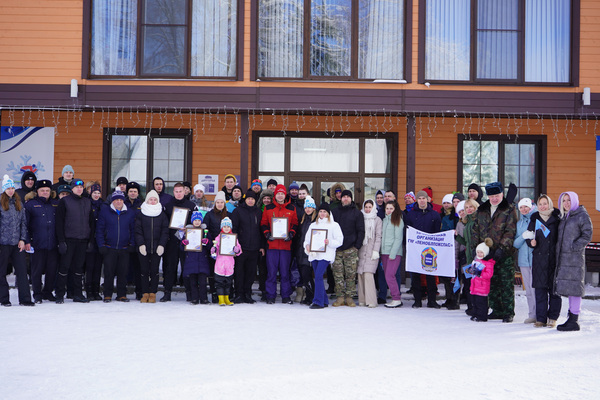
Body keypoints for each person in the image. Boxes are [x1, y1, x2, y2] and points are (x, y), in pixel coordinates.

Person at [471, 182, 518, 323]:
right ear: (488, 196)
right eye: (492, 196)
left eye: (497, 196)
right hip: (486, 255)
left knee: (506, 284)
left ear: (502, 195)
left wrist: (502, 249)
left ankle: (508, 312)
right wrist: (477, 248)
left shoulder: (509, 209)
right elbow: (475, 230)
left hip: (504, 254)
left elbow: (510, 231)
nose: (494, 199)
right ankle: (496, 310)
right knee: (490, 283)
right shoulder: (482, 210)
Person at [555, 192, 593, 331]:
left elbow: (587, 234)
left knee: (575, 288)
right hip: (565, 259)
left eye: (569, 200)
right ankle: (571, 318)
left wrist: (574, 247)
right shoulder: (564, 217)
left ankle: (574, 320)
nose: (566, 203)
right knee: (571, 289)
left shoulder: (581, 215)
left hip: (575, 258)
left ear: (575, 201)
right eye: (564, 200)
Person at [55, 179, 95, 304]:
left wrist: (91, 240)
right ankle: (60, 294)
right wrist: (61, 241)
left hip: (83, 240)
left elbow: (92, 223)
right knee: (64, 267)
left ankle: (78, 294)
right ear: (72, 188)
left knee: (79, 268)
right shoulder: (64, 202)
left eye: (81, 187)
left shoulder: (87, 202)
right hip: (69, 240)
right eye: (77, 187)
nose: (79, 189)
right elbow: (59, 223)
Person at [526, 195, 561, 328]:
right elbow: (528, 236)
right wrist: (531, 242)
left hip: (554, 259)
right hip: (539, 260)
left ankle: (552, 317)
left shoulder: (557, 219)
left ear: (549, 204)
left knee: (554, 290)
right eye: (540, 204)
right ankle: (541, 318)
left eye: (545, 204)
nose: (542, 206)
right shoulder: (535, 219)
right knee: (540, 291)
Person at [260, 184, 298, 304]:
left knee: (285, 272)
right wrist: (267, 234)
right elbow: (263, 223)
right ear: (275, 195)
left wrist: (291, 234)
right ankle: (271, 295)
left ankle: (285, 295)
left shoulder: (292, 208)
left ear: (284, 195)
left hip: (286, 246)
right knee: (271, 272)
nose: (280, 196)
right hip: (272, 246)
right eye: (278, 194)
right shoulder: (268, 208)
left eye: (282, 193)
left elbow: (295, 224)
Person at [96, 190, 136, 303]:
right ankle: (107, 294)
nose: (118, 202)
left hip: (124, 248)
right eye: (116, 200)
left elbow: (133, 230)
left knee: (123, 272)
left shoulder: (129, 213)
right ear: (112, 201)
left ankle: (121, 294)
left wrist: (132, 244)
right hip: (109, 247)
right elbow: (100, 230)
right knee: (109, 272)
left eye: (120, 200)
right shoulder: (105, 212)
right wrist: (101, 244)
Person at [404, 190, 442, 308]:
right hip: (415, 249)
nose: (421, 200)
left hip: (430, 250)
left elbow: (437, 233)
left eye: (423, 198)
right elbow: (407, 231)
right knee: (416, 276)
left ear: (428, 199)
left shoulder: (435, 215)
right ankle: (417, 300)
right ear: (417, 200)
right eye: (419, 198)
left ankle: (432, 300)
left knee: (430, 275)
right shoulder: (411, 214)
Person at [0, 175, 34, 306]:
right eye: (8, 188)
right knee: (2, 272)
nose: (10, 190)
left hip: (17, 243)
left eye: (12, 188)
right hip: (3, 243)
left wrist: (22, 239)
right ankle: (3, 299)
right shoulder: (1, 203)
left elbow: (23, 224)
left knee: (22, 271)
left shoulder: (18, 204)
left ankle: (25, 299)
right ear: (4, 189)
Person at [303, 202, 344, 309]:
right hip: (315, 254)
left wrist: (329, 242)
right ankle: (324, 300)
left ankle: (318, 301)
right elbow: (307, 239)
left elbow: (340, 240)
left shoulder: (334, 225)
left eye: (324, 211)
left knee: (318, 276)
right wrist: (307, 246)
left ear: (328, 213)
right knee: (317, 276)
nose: (322, 213)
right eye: (320, 211)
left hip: (326, 255)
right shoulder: (313, 225)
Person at [24, 179, 58, 304]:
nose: (45, 192)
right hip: (37, 243)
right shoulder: (30, 205)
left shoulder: (55, 204)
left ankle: (48, 292)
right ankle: (37, 294)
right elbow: (25, 225)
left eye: (47, 190)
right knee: (36, 270)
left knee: (51, 269)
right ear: (37, 191)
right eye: (42, 190)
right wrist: (27, 240)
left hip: (53, 243)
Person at [161, 183, 196, 302]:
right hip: (172, 241)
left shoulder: (191, 206)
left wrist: (189, 227)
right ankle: (167, 292)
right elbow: (164, 224)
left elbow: (197, 222)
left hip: (186, 242)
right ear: (173, 192)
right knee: (170, 267)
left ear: (184, 192)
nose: (179, 193)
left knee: (187, 267)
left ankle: (189, 293)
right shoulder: (168, 206)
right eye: (176, 191)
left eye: (181, 191)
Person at [331, 190, 365, 307]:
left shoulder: (357, 213)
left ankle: (350, 297)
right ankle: (340, 297)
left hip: (351, 249)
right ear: (340, 198)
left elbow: (361, 231)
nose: (346, 199)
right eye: (344, 197)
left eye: (348, 197)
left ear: (351, 199)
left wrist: (357, 246)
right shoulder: (334, 212)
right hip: (337, 249)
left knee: (350, 275)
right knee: (338, 274)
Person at [135, 190, 169, 303]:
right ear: (147, 200)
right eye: (151, 199)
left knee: (154, 271)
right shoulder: (141, 213)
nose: (153, 201)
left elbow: (165, 231)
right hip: (143, 247)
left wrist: (161, 245)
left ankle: (153, 293)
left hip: (156, 248)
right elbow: (137, 230)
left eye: (155, 199)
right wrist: (141, 244)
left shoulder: (162, 214)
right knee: (144, 270)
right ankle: (145, 292)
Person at [231, 189, 264, 304]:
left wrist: (261, 246)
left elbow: (261, 230)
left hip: (254, 248)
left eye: (253, 199)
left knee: (250, 273)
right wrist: (235, 244)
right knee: (239, 272)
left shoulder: (259, 212)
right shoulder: (238, 211)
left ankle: (247, 294)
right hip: (241, 248)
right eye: (249, 199)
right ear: (245, 200)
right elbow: (233, 228)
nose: (250, 201)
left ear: (255, 200)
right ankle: (239, 294)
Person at [204, 191, 231, 303]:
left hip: (226, 249)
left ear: (224, 203)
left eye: (221, 202)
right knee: (213, 271)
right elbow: (206, 229)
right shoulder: (210, 214)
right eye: (217, 202)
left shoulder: (229, 215)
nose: (219, 204)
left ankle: (226, 293)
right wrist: (211, 243)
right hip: (214, 248)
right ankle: (214, 292)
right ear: (215, 203)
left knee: (225, 271)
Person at [513, 198, 536, 323]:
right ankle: (532, 314)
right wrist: (523, 236)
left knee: (536, 289)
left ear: (530, 207)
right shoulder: (519, 224)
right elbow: (516, 244)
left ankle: (540, 313)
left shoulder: (536, 219)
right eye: (521, 207)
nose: (523, 209)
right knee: (528, 289)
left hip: (535, 259)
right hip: (523, 261)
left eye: (525, 207)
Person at [455, 198, 479, 315]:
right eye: (467, 207)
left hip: (477, 258)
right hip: (469, 258)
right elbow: (467, 242)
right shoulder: (467, 222)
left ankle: (477, 308)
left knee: (476, 283)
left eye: (471, 207)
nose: (468, 209)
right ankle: (471, 307)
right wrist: (457, 237)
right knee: (470, 283)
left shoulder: (478, 221)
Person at [181, 211, 211, 304]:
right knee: (192, 282)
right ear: (192, 221)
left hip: (202, 260)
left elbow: (210, 247)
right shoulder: (188, 232)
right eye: (195, 220)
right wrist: (183, 243)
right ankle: (194, 298)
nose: (197, 222)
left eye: (199, 220)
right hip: (191, 260)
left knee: (203, 282)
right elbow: (182, 247)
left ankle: (204, 298)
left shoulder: (205, 232)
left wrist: (207, 242)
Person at [211, 217, 242, 306]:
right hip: (220, 264)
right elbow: (214, 248)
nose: (226, 228)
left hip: (229, 264)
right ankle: (221, 299)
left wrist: (237, 250)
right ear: (221, 228)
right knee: (219, 282)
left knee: (228, 283)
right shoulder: (218, 238)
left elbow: (239, 250)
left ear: (231, 228)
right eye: (224, 227)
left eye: (228, 227)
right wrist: (213, 250)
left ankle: (227, 299)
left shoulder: (234, 238)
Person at [357, 199, 382, 308]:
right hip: (361, 249)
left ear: (373, 208)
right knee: (360, 274)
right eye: (366, 207)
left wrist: (376, 250)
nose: (367, 209)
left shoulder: (377, 220)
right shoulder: (360, 218)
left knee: (368, 274)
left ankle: (371, 300)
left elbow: (378, 236)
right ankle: (362, 300)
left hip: (372, 251)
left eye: (369, 207)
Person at [381, 201, 405, 308]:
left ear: (395, 209)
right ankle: (394, 297)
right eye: (387, 208)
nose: (389, 210)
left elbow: (398, 238)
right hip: (384, 252)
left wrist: (393, 253)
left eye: (391, 208)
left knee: (390, 275)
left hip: (393, 253)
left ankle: (396, 298)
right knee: (387, 276)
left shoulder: (398, 220)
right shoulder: (384, 220)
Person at [295, 196, 318, 305]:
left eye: (310, 207)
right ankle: (309, 296)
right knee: (304, 276)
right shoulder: (303, 220)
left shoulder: (316, 221)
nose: (308, 209)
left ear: (314, 208)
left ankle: (313, 296)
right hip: (301, 252)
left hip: (310, 253)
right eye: (306, 208)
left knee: (307, 276)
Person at [467, 239, 495, 322]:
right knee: (474, 302)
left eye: (481, 252)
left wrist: (480, 274)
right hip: (474, 286)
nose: (479, 254)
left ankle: (482, 316)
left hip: (482, 287)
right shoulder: (476, 261)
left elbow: (489, 274)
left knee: (481, 303)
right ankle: (475, 314)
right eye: (478, 252)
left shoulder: (488, 263)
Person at [85, 183, 104, 300]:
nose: (96, 195)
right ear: (90, 193)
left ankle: (96, 291)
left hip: (100, 240)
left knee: (98, 267)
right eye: (94, 193)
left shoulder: (103, 205)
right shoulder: (86, 203)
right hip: (89, 239)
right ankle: (89, 291)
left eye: (98, 193)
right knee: (89, 267)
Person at [256, 189, 273, 300]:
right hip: (260, 242)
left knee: (270, 269)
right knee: (262, 269)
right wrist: (261, 245)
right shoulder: (257, 210)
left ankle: (270, 290)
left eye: (268, 198)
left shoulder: (274, 210)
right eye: (264, 198)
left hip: (272, 242)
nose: (266, 200)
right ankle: (263, 290)